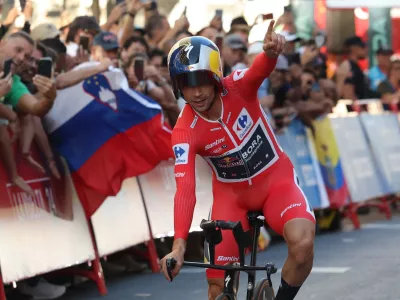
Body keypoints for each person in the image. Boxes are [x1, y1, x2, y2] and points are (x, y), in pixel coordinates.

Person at [160, 21, 316, 300]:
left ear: (216, 77)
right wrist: (179, 246)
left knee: (303, 244)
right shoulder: (184, 131)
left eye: (202, 81)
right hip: (231, 197)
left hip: (275, 182)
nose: (196, 93)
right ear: (177, 87)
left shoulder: (238, 88)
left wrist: (270, 53)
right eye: (186, 85)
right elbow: (185, 190)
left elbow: (259, 70)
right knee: (218, 287)